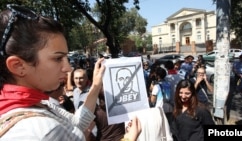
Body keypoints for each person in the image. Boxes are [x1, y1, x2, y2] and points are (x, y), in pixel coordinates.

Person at [0, 4, 141, 140]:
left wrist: (96, 85)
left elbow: (77, 123)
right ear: (18, 66)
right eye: (58, 58)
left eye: (66, 57)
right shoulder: (42, 131)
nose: (68, 68)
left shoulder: (40, 104)